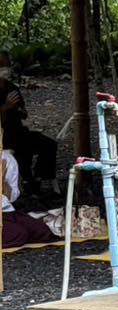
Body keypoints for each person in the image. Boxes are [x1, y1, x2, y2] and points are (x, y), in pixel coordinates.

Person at [0, 52, 59, 202]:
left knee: (49, 144)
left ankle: (38, 178)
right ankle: (27, 183)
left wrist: (20, 111)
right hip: (4, 137)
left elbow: (23, 112)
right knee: (18, 152)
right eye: (2, 65)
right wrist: (6, 107)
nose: (6, 69)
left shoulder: (11, 87)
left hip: (18, 131)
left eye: (7, 65)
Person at [2, 147, 59, 248]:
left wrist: (3, 179)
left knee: (43, 231)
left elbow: (11, 197)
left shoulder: (7, 158)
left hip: (7, 212)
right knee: (18, 235)